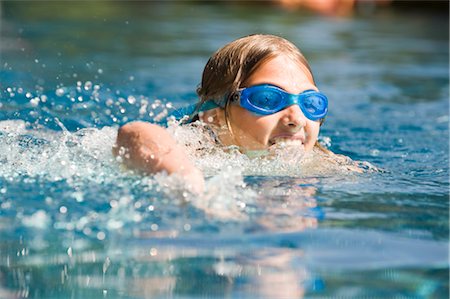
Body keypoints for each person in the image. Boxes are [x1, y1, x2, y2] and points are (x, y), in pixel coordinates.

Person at [113, 34, 333, 193]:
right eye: (267, 99)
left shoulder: (325, 163)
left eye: (310, 103)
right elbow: (133, 133)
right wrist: (183, 176)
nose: (297, 119)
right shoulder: (198, 153)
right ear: (215, 118)